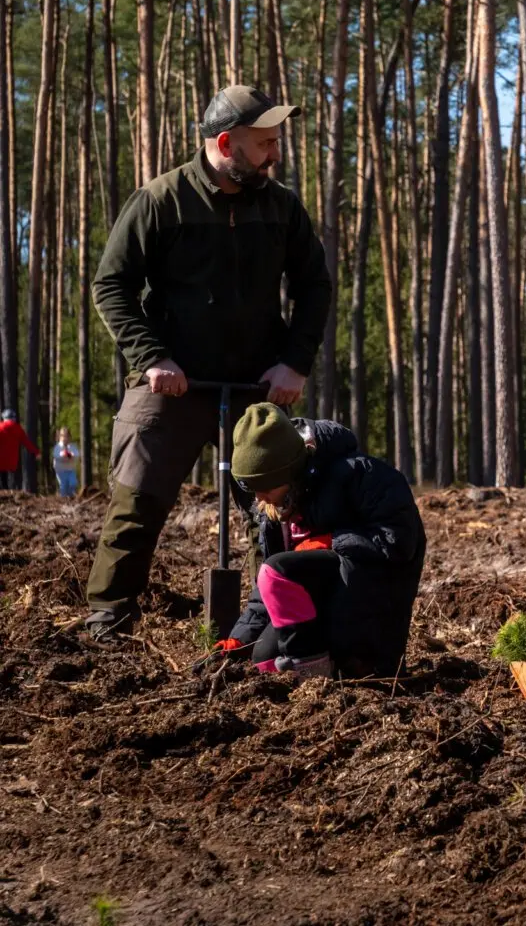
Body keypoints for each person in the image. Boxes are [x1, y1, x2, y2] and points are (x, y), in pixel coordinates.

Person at [85, 85, 332, 640]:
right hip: (172, 379)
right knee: (136, 498)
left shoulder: (281, 206)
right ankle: (108, 620)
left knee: (276, 503)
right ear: (227, 144)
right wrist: (151, 357)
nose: (275, 154)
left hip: (256, 381)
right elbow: (112, 285)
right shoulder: (160, 200)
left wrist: (293, 362)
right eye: (265, 143)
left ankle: (271, 623)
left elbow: (315, 285)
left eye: (276, 141)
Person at [218, 402, 426, 681]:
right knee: (262, 658)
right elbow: (268, 586)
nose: (259, 499)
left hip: (370, 609)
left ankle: (321, 671)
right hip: (317, 610)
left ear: (289, 473)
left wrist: (331, 541)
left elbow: (399, 541)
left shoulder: (364, 476)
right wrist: (239, 638)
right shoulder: (274, 507)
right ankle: (319, 664)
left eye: (265, 487)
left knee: (280, 570)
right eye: (251, 489)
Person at [0, 410, 40, 492]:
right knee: (10, 479)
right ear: (14, 418)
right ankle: (10, 493)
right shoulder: (18, 429)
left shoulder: (0, 427)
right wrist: (36, 452)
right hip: (12, 461)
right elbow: (27, 443)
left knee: (2, 477)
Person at [52, 429, 80, 498]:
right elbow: (56, 455)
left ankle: (71, 497)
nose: (65, 438)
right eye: (63, 436)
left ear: (70, 437)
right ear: (60, 437)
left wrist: (71, 455)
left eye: (67, 436)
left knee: (73, 483)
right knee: (63, 485)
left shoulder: (72, 446)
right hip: (61, 470)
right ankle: (63, 499)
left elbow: (77, 454)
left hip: (71, 470)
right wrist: (62, 455)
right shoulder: (58, 447)